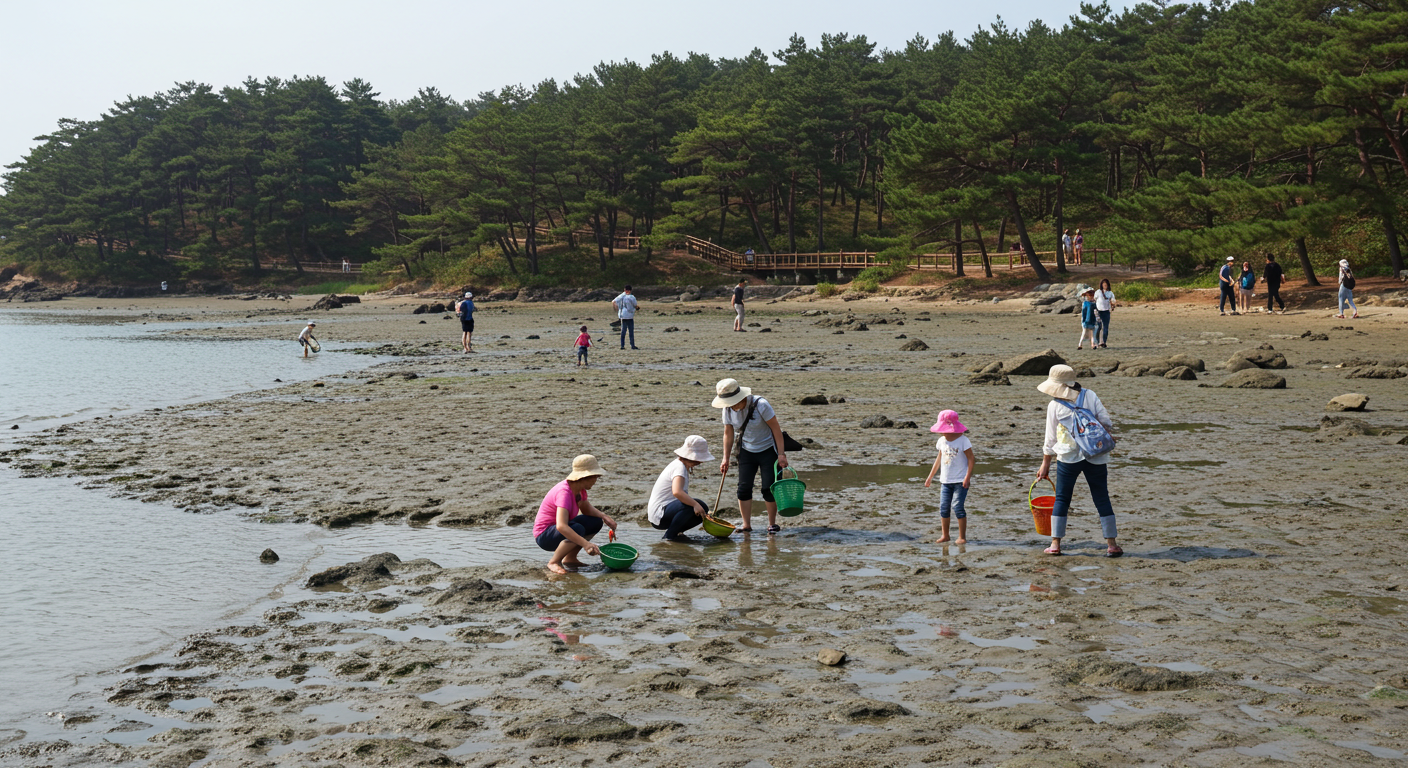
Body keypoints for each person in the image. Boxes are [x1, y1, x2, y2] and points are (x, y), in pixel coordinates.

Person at [1035, 365, 1122, 557]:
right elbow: (1107, 422)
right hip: (1096, 454)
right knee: (1102, 497)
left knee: (1063, 498)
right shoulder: (1090, 395)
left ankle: (1055, 544)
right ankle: (1112, 544)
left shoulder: (1054, 405)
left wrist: (1045, 463)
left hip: (1068, 457)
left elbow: (1050, 439)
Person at [713, 377, 790, 534]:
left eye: (733, 402)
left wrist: (781, 454)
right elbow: (728, 433)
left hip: (768, 450)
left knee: (768, 488)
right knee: (743, 489)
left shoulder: (760, 404)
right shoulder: (727, 409)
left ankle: (772, 524)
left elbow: (776, 429)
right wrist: (725, 458)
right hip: (746, 451)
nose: (731, 405)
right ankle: (746, 525)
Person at [533, 455, 616, 574]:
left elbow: (586, 509)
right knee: (578, 529)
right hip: (545, 535)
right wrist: (586, 544)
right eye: (595, 477)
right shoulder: (564, 492)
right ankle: (554, 562)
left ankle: (570, 558)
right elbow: (561, 526)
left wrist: (604, 517)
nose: (595, 481)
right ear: (586, 477)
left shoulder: (579, 489)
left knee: (595, 522)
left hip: (557, 531)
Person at [648, 435, 716, 541]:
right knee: (696, 505)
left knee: (702, 509)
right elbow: (677, 492)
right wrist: (695, 504)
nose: (700, 462)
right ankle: (669, 537)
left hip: (665, 511)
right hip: (659, 514)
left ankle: (676, 533)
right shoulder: (679, 467)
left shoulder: (680, 465)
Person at [923, 410, 974, 545]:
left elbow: (971, 459)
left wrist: (967, 477)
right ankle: (945, 535)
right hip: (945, 481)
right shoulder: (941, 441)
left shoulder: (963, 440)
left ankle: (962, 536)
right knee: (944, 507)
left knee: (958, 506)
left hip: (960, 481)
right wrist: (930, 477)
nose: (942, 432)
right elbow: (938, 459)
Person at [612, 285, 639, 349]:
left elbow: (614, 302)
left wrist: (617, 310)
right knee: (631, 331)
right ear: (630, 290)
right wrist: (637, 308)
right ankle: (632, 345)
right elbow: (635, 305)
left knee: (623, 331)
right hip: (629, 316)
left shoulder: (621, 296)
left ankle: (622, 345)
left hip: (622, 315)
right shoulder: (631, 297)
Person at [1093, 279, 1116, 348]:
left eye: (1106, 284)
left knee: (1105, 327)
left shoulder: (1110, 293)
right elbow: (1094, 299)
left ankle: (1103, 342)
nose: (1105, 286)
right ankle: (1096, 342)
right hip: (1098, 311)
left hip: (1106, 311)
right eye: (1103, 284)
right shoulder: (1098, 292)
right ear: (1101, 285)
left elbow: (1113, 300)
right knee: (1098, 327)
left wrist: (1113, 303)